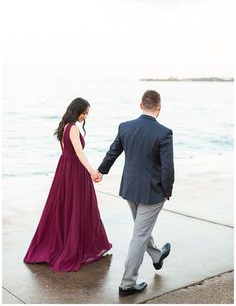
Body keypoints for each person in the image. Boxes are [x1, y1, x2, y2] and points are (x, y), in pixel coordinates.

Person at [96, 90, 174, 296]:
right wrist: (167, 191)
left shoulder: (125, 127)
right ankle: (127, 284)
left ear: (141, 105)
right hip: (152, 193)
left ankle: (157, 256)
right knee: (140, 234)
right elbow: (168, 168)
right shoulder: (164, 132)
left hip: (130, 189)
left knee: (141, 228)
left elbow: (113, 152)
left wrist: (101, 171)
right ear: (159, 107)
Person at [24, 98, 112, 272]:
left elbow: (66, 152)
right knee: (81, 208)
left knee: (66, 208)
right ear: (77, 110)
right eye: (84, 112)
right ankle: (78, 247)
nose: (85, 116)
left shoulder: (64, 127)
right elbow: (79, 153)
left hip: (64, 170)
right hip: (75, 171)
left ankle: (68, 242)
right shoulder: (72, 129)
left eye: (87, 113)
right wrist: (92, 171)